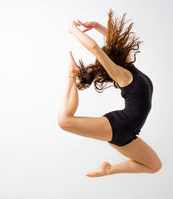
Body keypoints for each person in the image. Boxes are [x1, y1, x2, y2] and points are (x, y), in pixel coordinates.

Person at [58, 9, 162, 177]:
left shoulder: (129, 67)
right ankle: (71, 73)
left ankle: (109, 169)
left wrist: (98, 26)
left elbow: (115, 44)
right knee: (64, 121)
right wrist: (73, 30)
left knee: (155, 166)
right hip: (119, 126)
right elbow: (94, 48)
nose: (117, 48)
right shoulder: (123, 76)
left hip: (129, 133)